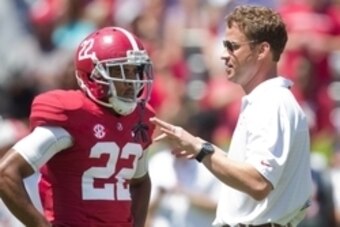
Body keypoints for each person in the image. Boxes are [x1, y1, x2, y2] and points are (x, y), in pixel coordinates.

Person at [150, 5, 313, 227]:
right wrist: (198, 144)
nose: (224, 54)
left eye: (232, 47)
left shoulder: (271, 103)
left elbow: (258, 183)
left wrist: (201, 151)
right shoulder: (268, 100)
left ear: (262, 51)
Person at [0, 26, 155, 227]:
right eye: (119, 71)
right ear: (92, 75)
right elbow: (6, 173)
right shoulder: (72, 114)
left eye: (135, 71)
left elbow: (141, 181)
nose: (130, 81)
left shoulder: (138, 119)